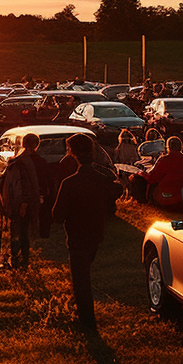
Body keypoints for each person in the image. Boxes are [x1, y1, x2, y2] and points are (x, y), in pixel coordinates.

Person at [51, 133, 119, 329]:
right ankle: (84, 315)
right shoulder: (100, 179)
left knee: (81, 281)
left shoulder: (70, 183)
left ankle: (87, 322)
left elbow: (57, 216)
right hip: (96, 234)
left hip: (77, 237)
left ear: (72, 153)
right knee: (83, 275)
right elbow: (116, 191)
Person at [0, 136, 42, 269]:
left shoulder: (15, 162)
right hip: (23, 203)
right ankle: (22, 259)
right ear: (36, 145)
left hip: (13, 203)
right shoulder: (33, 162)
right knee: (23, 232)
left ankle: (16, 258)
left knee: (16, 232)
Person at [141, 136, 183, 209]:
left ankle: (145, 203)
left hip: (164, 199)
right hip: (181, 199)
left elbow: (152, 179)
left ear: (168, 147)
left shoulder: (164, 160)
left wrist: (143, 174)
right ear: (181, 147)